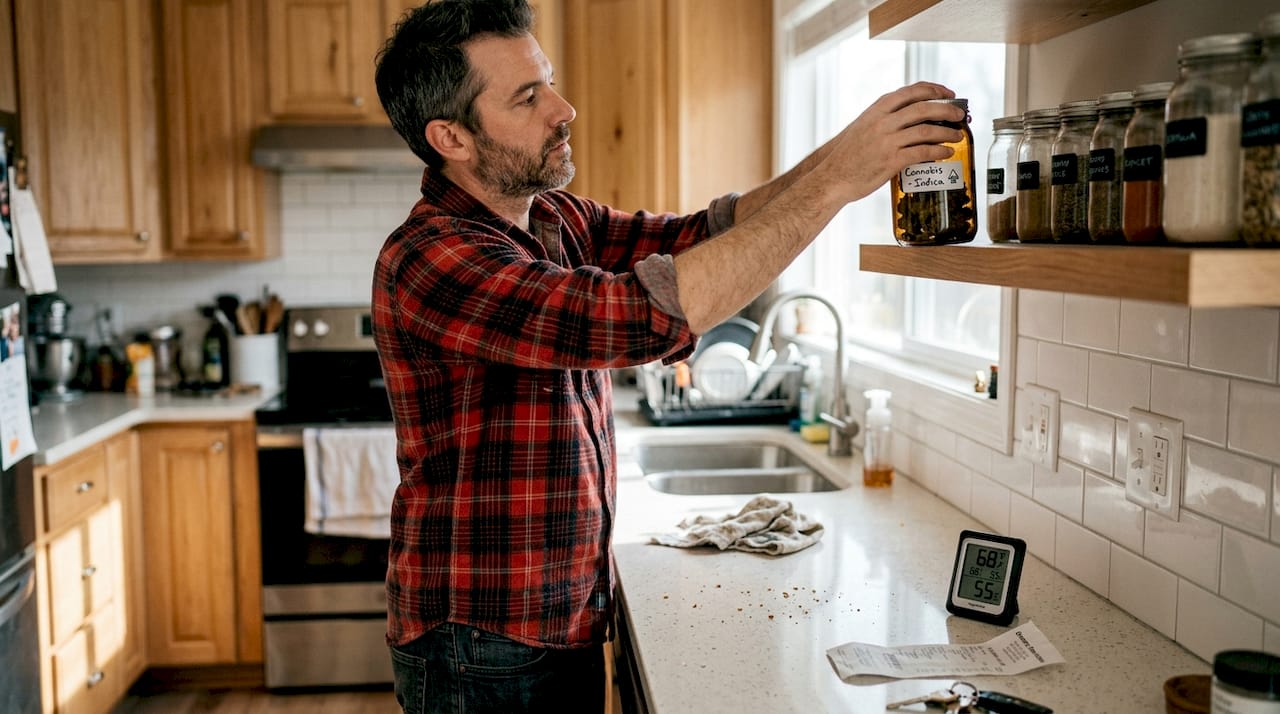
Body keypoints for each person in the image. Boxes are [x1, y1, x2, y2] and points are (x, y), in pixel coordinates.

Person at [372, 1, 964, 712]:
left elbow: (706, 232)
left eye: (548, 81)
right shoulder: (434, 256)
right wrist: (838, 180)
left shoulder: (555, 218)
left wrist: (846, 155)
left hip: (553, 615)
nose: (564, 109)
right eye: (528, 98)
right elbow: (637, 318)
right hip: (481, 640)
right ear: (452, 137)